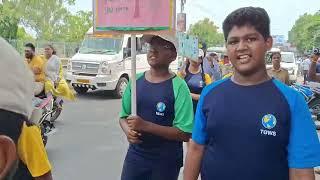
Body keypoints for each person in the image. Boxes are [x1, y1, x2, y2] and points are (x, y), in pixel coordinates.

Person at [184, 7, 320, 180]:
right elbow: (196, 148)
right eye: (233, 41)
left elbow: (301, 172)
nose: (241, 47)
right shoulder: (210, 93)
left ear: (268, 43)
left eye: (251, 39)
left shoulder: (292, 101)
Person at [119, 34, 194, 180]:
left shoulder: (179, 87)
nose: (153, 50)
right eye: (151, 46)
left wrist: (145, 125)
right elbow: (123, 116)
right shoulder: (135, 81)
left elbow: (184, 133)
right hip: (136, 157)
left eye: (162, 46)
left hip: (166, 161)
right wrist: (128, 131)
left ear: (173, 55)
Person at [0, 37, 53, 180]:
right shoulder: (26, 62)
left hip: (39, 85)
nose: (26, 53)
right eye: (25, 51)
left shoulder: (27, 132)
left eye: (28, 51)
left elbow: (44, 176)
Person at [178, 49, 212, 114]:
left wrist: (188, 94)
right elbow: (176, 92)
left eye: (198, 57)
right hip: (182, 111)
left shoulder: (205, 77)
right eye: (193, 56)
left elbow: (208, 96)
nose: (195, 59)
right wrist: (182, 77)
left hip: (198, 112)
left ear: (201, 60)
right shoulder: (181, 74)